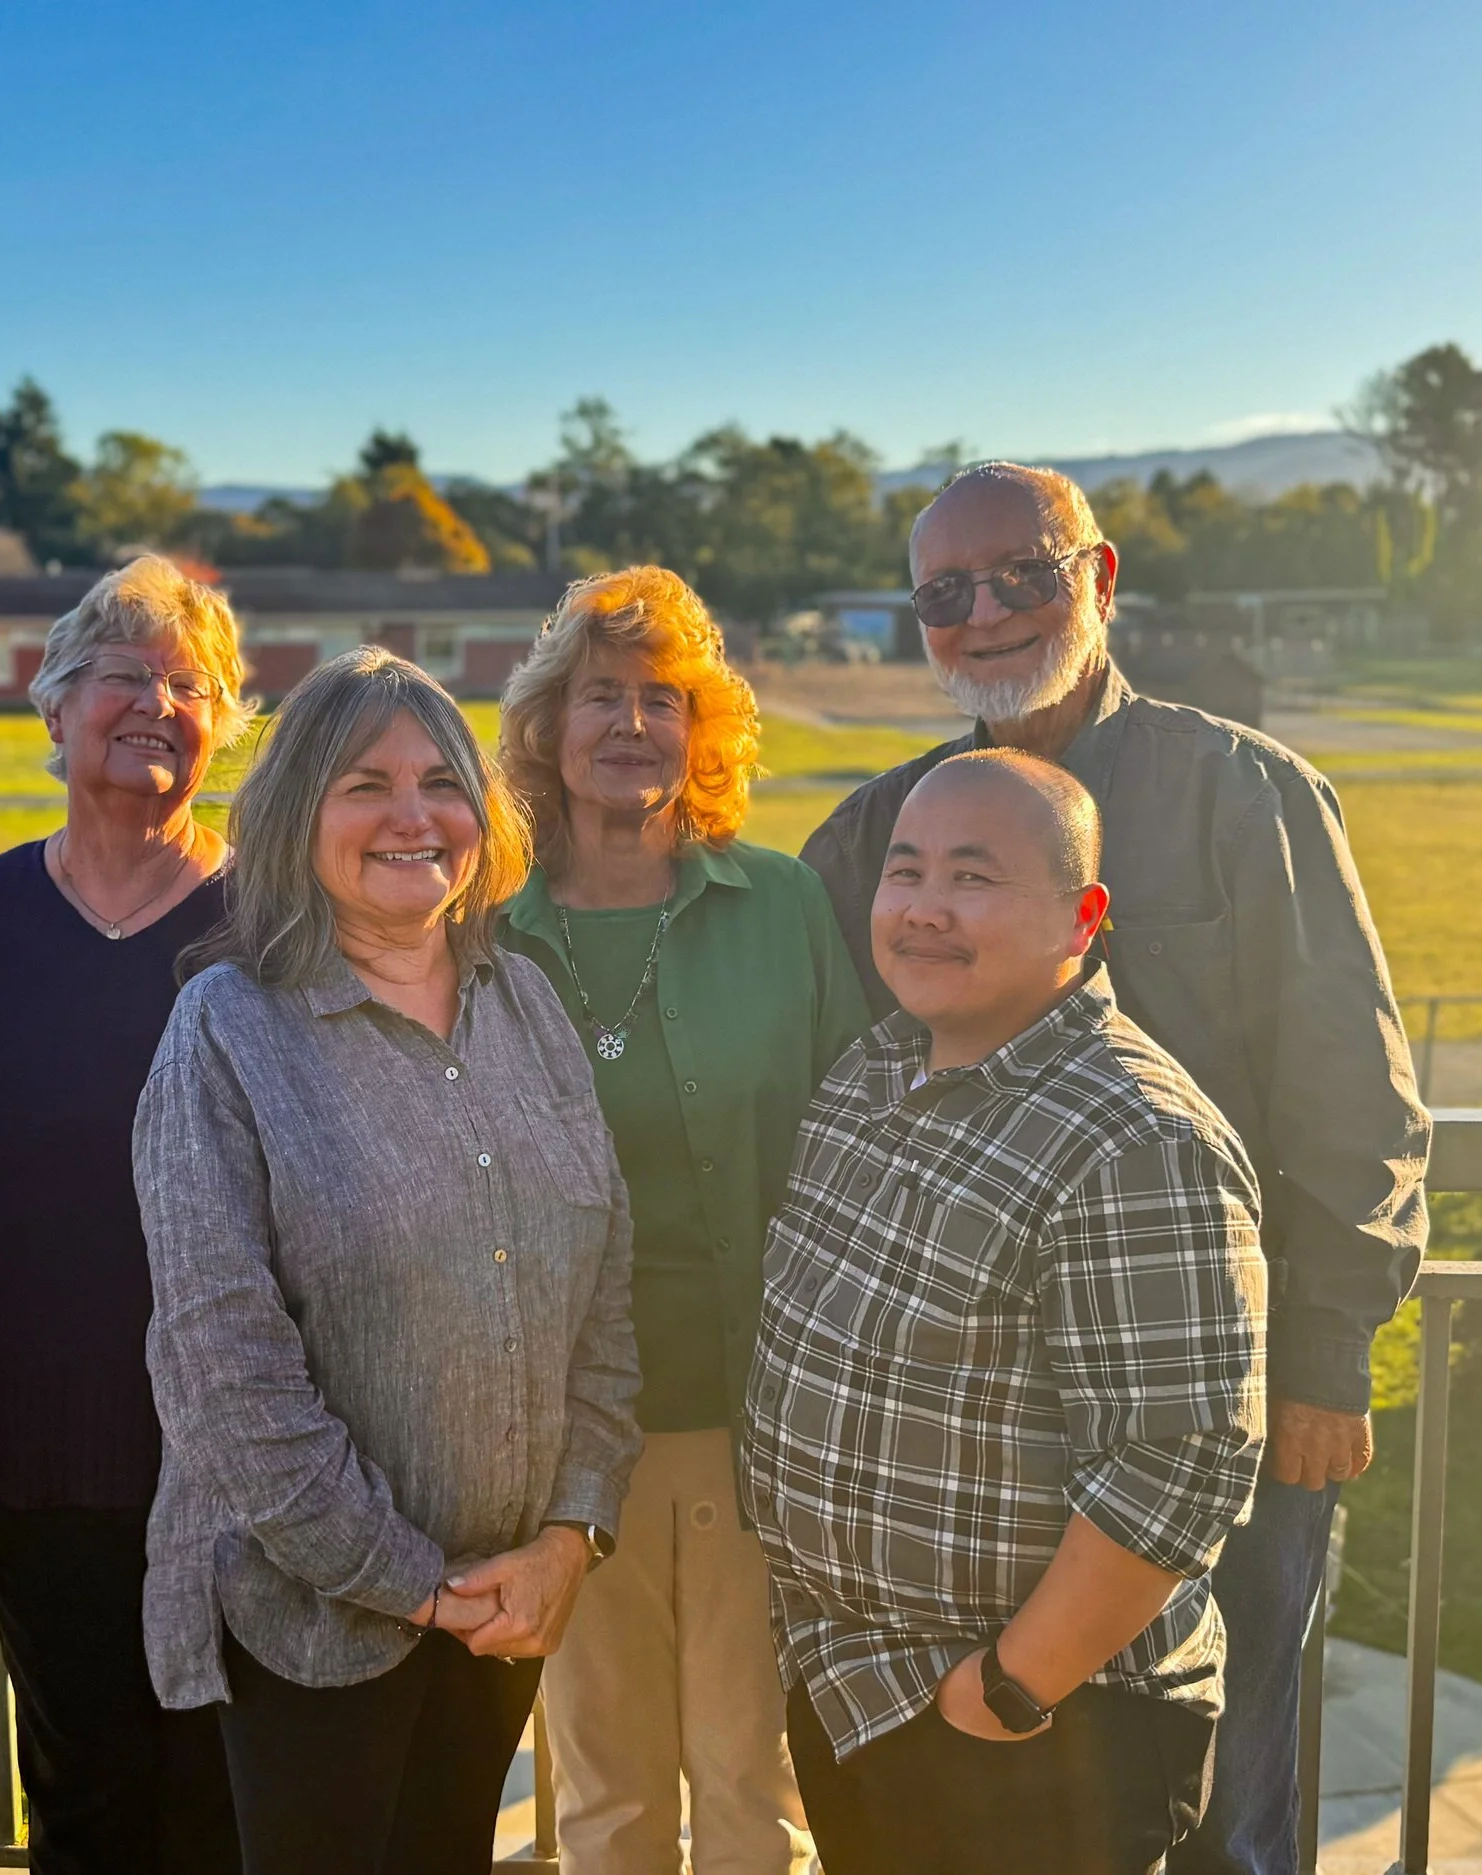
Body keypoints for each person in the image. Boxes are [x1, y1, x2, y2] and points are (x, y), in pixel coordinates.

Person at [798, 463, 1429, 1875]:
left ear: (1102, 575)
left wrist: (1328, 1353)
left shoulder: (1246, 793)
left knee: (1222, 1800)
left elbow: (1356, 1096)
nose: (987, 614)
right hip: (967, 1435)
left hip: (1219, 1407)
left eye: (1023, 573)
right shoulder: (869, 837)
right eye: (944, 594)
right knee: (1015, 1797)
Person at [135, 645, 644, 1875]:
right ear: (296, 813)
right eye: (366, 784)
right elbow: (225, 1370)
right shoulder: (229, 1029)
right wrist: (416, 1584)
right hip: (313, 1622)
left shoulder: (523, 1002)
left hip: (500, 1611)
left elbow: (603, 1304)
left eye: (441, 783)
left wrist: (571, 1534)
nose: (413, 816)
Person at [745, 749, 1268, 1875]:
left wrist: (1006, 1691)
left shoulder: (1136, 1138)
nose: (925, 910)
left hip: (1036, 1731)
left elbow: (1174, 1465)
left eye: (973, 880)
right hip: (864, 1691)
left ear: (1083, 919)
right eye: (906, 871)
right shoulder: (873, 1073)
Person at [493, 567, 865, 1875]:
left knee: (754, 1779)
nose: (634, 724)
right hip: (567, 1441)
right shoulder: (488, 933)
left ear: (705, 731)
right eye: (603, 695)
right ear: (547, 726)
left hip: (758, 1423)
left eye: (666, 698)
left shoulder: (785, 907)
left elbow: (859, 1141)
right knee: (606, 1789)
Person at [0, 558, 250, 1874]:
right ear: (54, 712)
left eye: (192, 684)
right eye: (125, 675)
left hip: (240, 1445)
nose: (158, 704)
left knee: (225, 1797)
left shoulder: (270, 917)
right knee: (84, 1794)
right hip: (29, 1440)